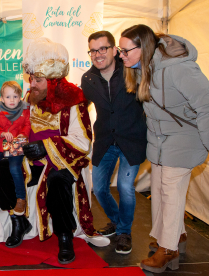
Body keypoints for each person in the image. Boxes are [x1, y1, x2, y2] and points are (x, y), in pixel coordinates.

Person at [119, 24, 209, 273]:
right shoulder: (143, 68)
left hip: (186, 137)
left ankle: (169, 249)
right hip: (161, 139)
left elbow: (208, 103)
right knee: (159, 189)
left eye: (125, 51)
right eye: (119, 50)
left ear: (143, 47)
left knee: (171, 191)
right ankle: (175, 236)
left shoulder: (179, 69)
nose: (121, 56)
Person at [0, 37, 96, 264]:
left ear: (53, 81)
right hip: (31, 160)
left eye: (38, 80)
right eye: (31, 79)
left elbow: (83, 142)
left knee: (58, 181)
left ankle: (65, 236)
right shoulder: (32, 98)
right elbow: (22, 125)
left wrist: (46, 146)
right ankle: (19, 221)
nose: (32, 84)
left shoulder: (74, 101)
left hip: (62, 160)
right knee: (0, 169)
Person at [81, 30, 147, 255]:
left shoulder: (132, 70)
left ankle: (124, 233)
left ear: (114, 50)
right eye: (93, 50)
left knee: (125, 187)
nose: (97, 54)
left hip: (132, 139)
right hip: (105, 140)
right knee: (99, 188)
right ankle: (118, 223)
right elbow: (79, 107)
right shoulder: (88, 79)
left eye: (102, 48)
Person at [0, 81, 30, 216]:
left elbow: (27, 125)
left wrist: (23, 134)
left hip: (16, 146)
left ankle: (21, 199)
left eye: (15, 96)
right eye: (8, 97)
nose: (12, 100)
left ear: (20, 97)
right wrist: (1, 133)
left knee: (14, 168)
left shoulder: (25, 109)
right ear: (2, 99)